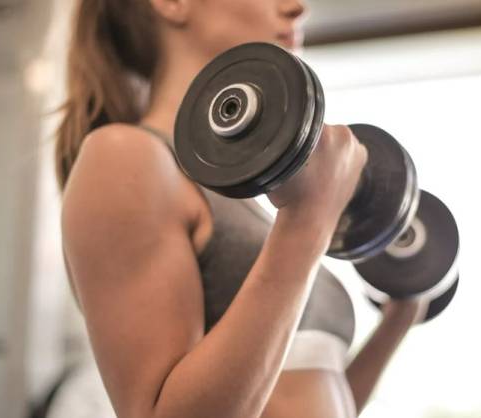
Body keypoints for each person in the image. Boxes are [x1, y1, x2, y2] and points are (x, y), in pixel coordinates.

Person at [55, 1, 428, 417]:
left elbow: (311, 395)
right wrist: (308, 222)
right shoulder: (125, 157)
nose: (296, 7)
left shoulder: (252, 204)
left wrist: (399, 319)